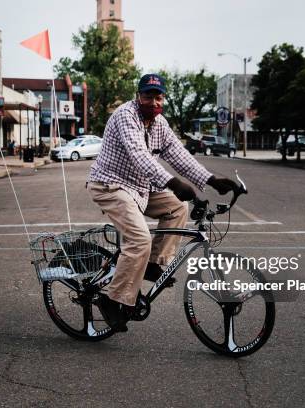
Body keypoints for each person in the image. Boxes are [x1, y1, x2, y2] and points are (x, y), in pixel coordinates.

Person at [87, 73, 238, 332]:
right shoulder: (126, 116)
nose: (153, 102)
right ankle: (112, 300)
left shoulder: (159, 124)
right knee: (139, 239)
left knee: (178, 207)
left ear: (163, 99)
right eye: (148, 96)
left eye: (158, 97)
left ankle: (153, 264)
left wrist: (212, 180)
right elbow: (140, 158)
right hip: (110, 185)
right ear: (138, 96)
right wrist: (174, 183)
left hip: (140, 189)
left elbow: (180, 156)